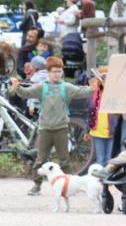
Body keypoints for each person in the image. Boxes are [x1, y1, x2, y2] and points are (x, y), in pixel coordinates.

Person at [10, 56, 92, 195]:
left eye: (59, 71)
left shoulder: (66, 87)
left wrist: (94, 88)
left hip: (61, 128)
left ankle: (69, 185)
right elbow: (26, 93)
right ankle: (37, 185)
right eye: (54, 71)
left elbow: (82, 91)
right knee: (40, 159)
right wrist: (17, 86)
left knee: (64, 160)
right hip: (45, 129)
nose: (57, 74)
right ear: (48, 72)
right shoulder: (42, 86)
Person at [87, 67, 115, 167]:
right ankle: (100, 176)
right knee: (100, 159)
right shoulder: (95, 94)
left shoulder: (115, 94)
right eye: (102, 78)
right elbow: (90, 113)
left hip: (112, 131)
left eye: (107, 78)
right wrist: (87, 130)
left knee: (110, 159)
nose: (104, 81)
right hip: (97, 131)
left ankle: (108, 176)